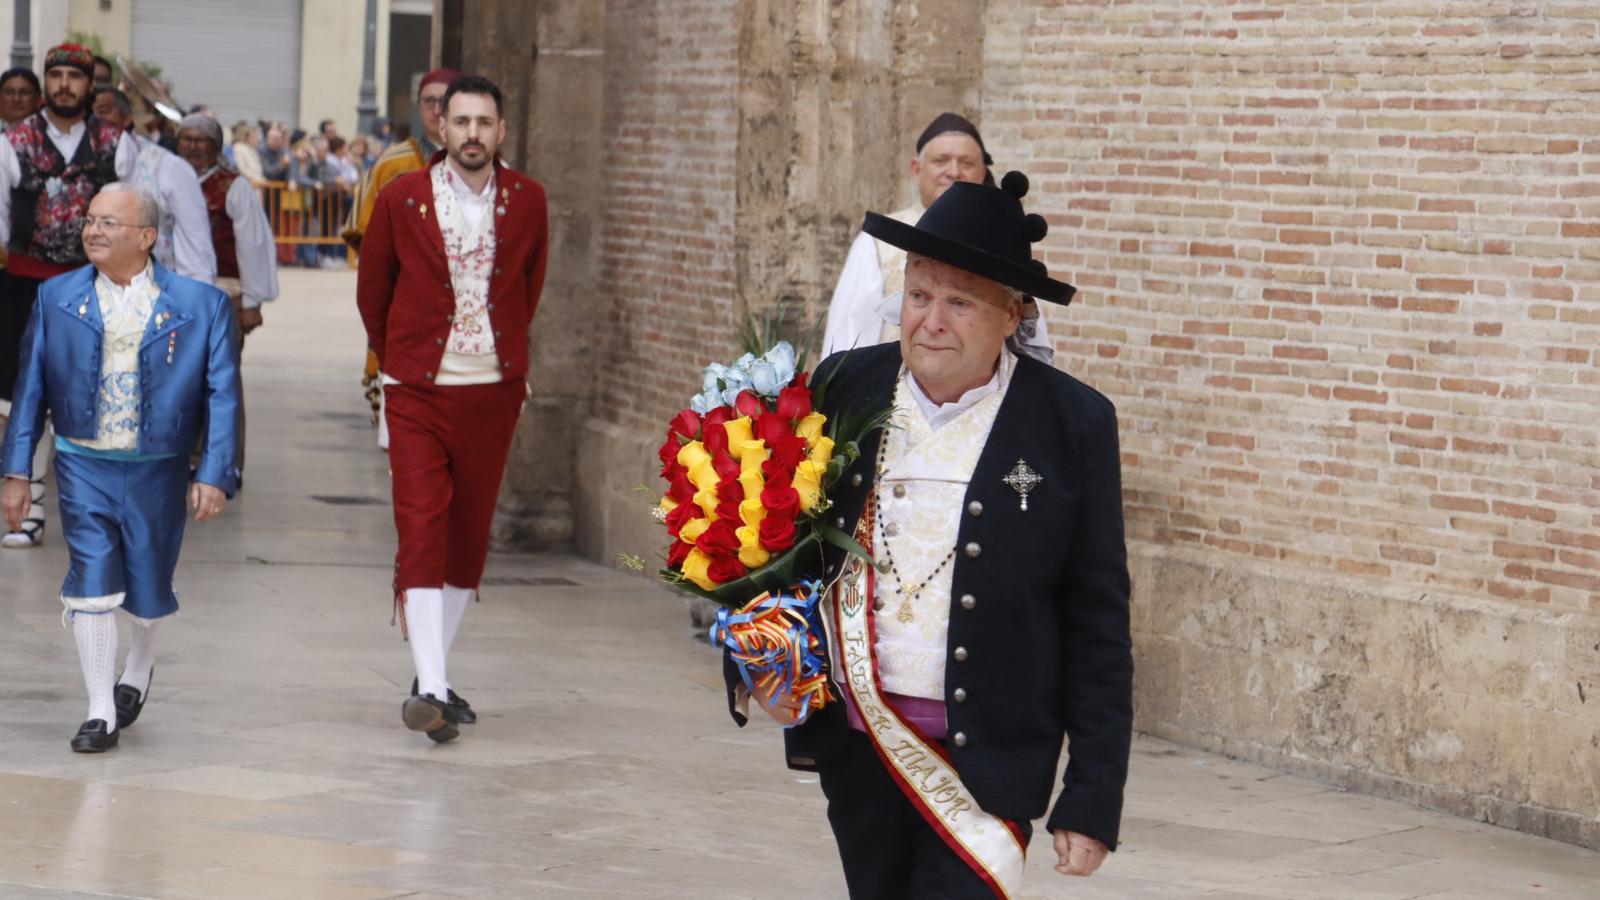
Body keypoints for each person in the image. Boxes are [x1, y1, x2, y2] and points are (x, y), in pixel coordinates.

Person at [725, 172, 1132, 897]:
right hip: (858, 746)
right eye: (919, 295)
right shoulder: (842, 386)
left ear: (1013, 315)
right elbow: (773, 540)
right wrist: (754, 652)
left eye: (960, 301)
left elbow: (1097, 619)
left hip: (994, 764)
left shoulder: (1072, 423)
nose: (930, 321)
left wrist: (1093, 795)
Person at [0, 183, 241, 752]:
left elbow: (224, 394)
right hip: (83, 462)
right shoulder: (55, 297)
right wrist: (15, 472)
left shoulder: (200, 305)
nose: (93, 231)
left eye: (109, 222)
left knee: (149, 583)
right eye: (89, 220)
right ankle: (99, 710)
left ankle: (139, 666)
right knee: (92, 580)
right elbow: (29, 390)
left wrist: (215, 471)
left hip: (159, 466)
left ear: (147, 237)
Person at [356, 75, 548, 744]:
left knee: (468, 534)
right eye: (459, 121)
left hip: (493, 391)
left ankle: (428, 675)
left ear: (501, 132)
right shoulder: (401, 197)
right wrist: (400, 359)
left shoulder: (529, 201)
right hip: (417, 391)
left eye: (483, 123)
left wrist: (504, 358)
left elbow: (531, 283)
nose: (471, 133)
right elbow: (372, 290)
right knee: (420, 524)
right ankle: (433, 687)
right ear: (440, 128)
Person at [0, 43, 137, 550]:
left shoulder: (117, 144)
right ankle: (28, 508)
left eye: (72, 77)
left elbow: (132, 216)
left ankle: (98, 511)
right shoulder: (13, 140)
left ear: (88, 84)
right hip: (26, 283)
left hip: (95, 284)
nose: (63, 85)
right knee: (23, 397)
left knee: (99, 393)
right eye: (54, 75)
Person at [821, 112, 1053, 364]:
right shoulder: (875, 245)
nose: (953, 172)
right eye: (941, 160)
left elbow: (1029, 345)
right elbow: (848, 335)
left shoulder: (1004, 246)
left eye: (966, 163)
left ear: (983, 172)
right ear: (916, 170)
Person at [343, 67, 459, 445]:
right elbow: (365, 238)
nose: (437, 110)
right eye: (429, 101)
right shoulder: (391, 164)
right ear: (418, 106)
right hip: (403, 311)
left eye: (446, 101)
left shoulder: (483, 168)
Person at [177, 113, 278, 476]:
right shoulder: (168, 180)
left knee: (221, 380)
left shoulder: (233, 187)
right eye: (185, 139)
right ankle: (186, 456)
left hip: (224, 293)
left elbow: (252, 245)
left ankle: (225, 462)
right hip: (176, 292)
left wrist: (251, 302)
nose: (191, 146)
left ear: (215, 146)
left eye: (199, 140)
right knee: (180, 380)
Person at [91, 86, 216, 285]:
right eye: (90, 114)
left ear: (126, 119)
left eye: (104, 112)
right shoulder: (77, 167)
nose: (96, 122)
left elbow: (195, 250)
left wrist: (196, 305)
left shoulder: (170, 168)